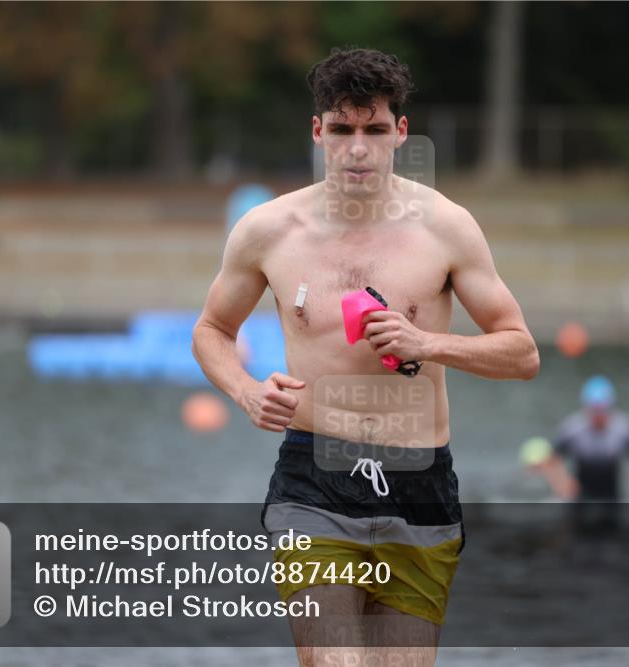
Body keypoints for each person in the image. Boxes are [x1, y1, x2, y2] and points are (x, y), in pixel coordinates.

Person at [192, 47, 539, 667]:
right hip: (314, 479)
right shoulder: (268, 230)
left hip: (419, 480)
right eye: (343, 130)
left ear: (400, 132)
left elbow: (522, 353)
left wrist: (426, 343)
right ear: (318, 131)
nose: (358, 149)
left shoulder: (447, 228)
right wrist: (246, 392)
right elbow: (212, 329)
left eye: (374, 130)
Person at [538, 375, 629, 504]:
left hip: (612, 493)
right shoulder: (573, 430)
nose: (598, 416)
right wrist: (562, 483)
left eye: (602, 410)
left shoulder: (623, 429)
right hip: (581, 493)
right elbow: (552, 460)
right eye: (594, 410)